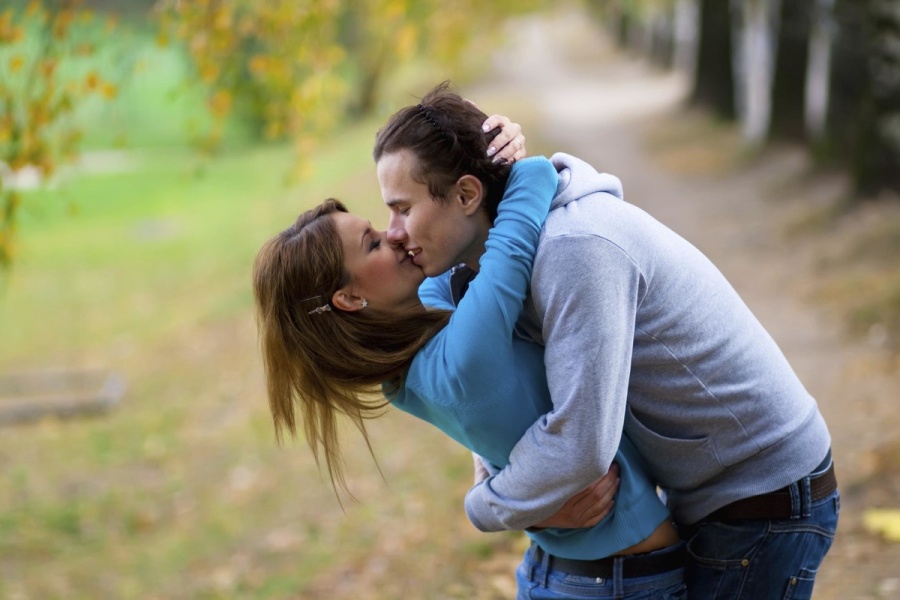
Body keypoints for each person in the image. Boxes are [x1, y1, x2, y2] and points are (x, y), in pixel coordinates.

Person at [378, 82, 839, 599]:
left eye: (402, 208)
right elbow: (493, 403)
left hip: (761, 492)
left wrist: (485, 507)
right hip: (706, 488)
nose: (393, 232)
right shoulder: (484, 266)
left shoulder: (574, 248)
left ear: (466, 195)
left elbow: (581, 445)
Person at [253, 122, 688, 597]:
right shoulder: (462, 357)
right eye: (373, 242)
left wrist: (473, 153)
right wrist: (500, 164)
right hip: (623, 580)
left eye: (387, 220)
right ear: (350, 299)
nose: (395, 234)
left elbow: (454, 261)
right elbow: (522, 219)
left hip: (562, 570)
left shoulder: (405, 375)